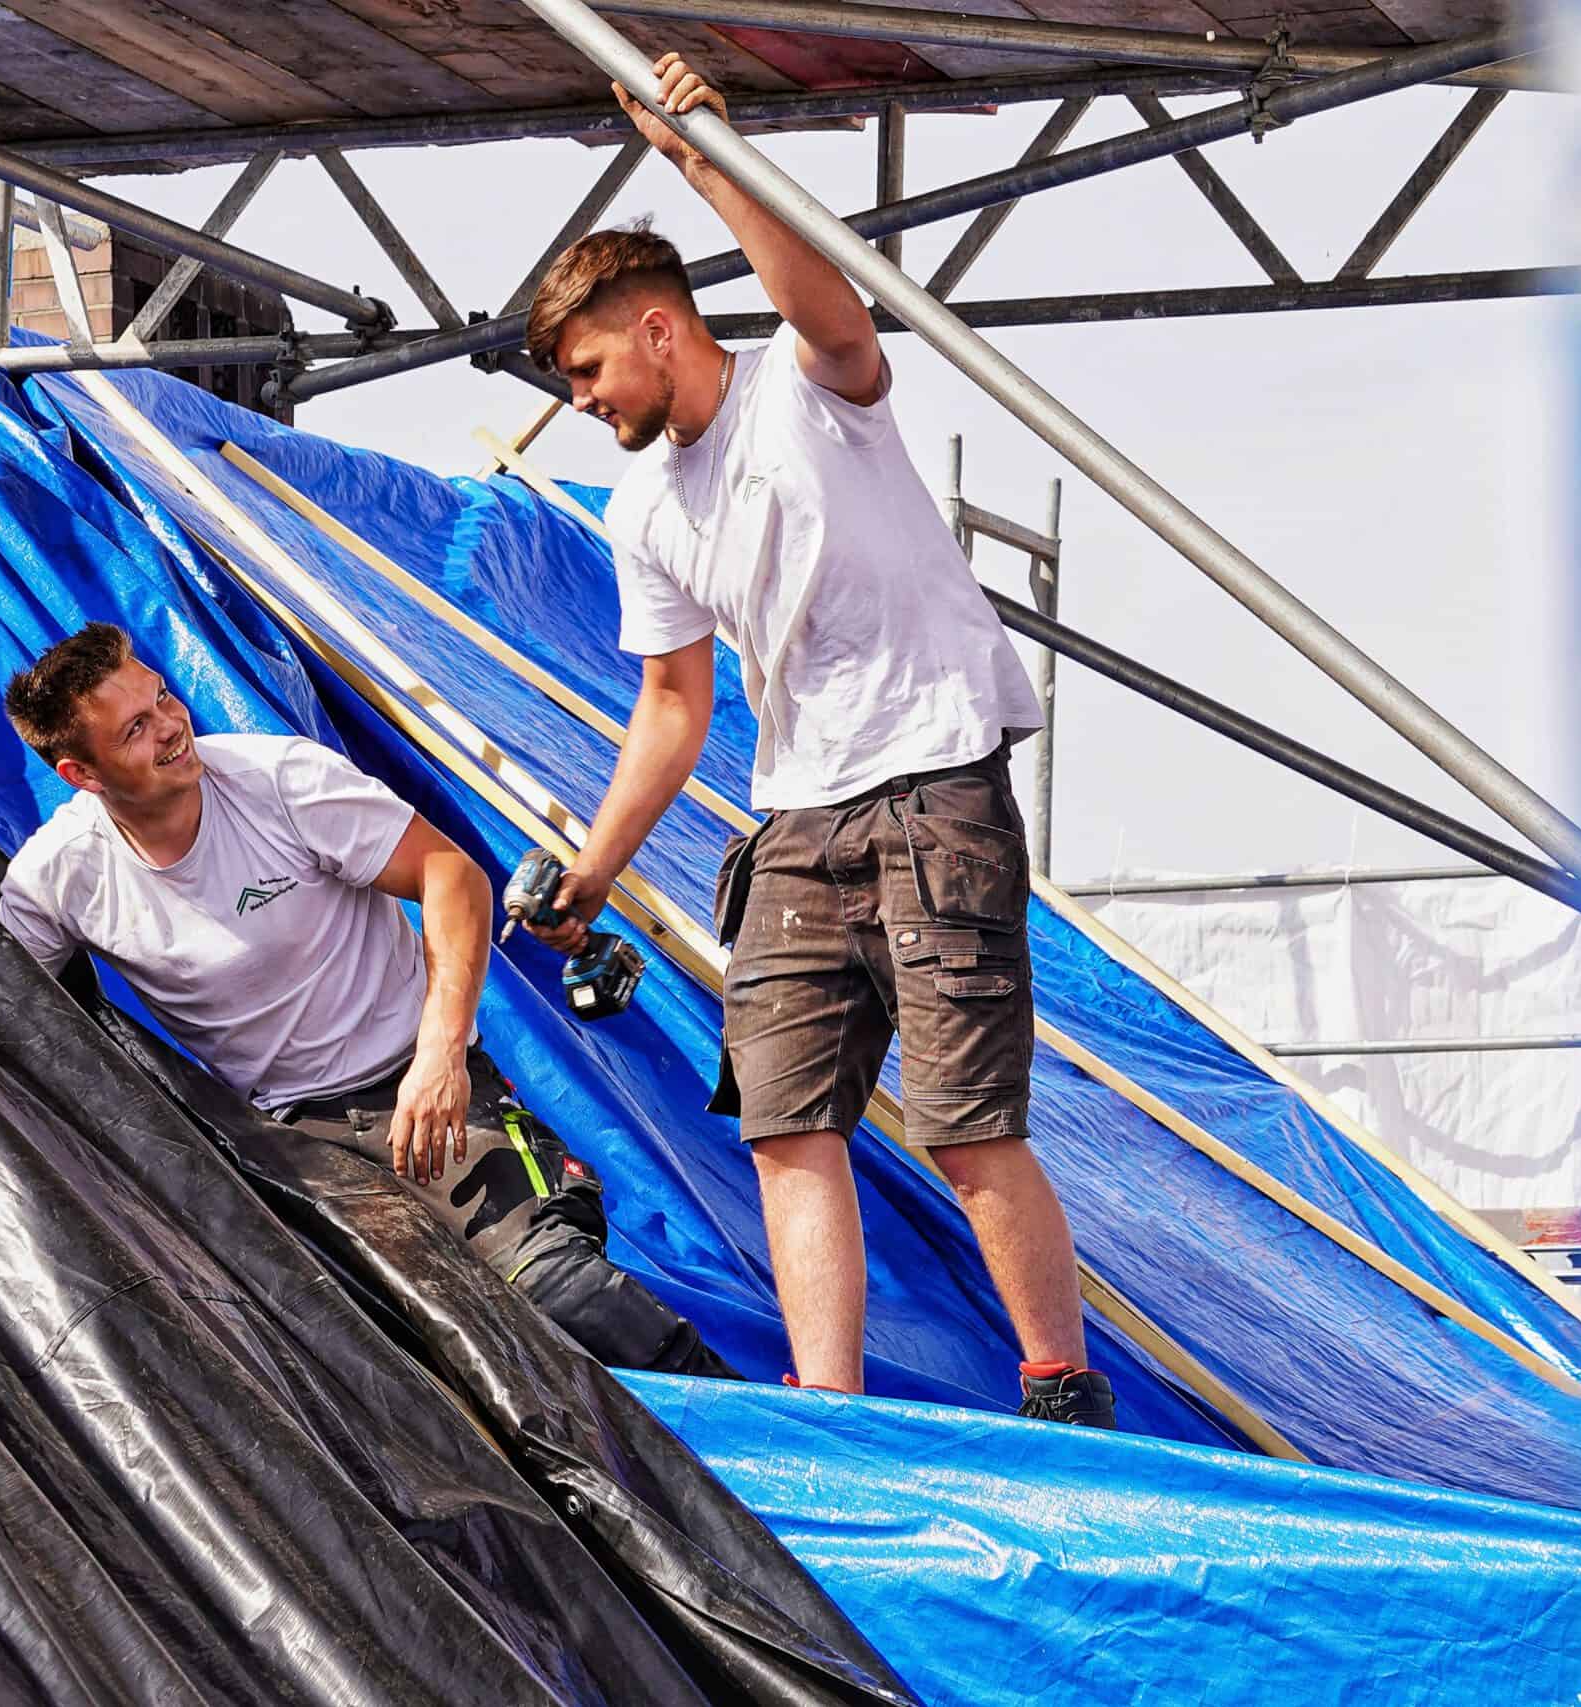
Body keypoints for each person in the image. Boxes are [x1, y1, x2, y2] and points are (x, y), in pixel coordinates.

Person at [522, 52, 1112, 1426]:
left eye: (594, 367)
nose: (588, 401)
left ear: (663, 328)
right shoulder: (644, 513)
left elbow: (821, 295)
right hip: (797, 817)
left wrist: (700, 150)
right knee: (789, 1121)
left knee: (969, 1125)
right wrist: (596, 868)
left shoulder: (807, 389)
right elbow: (672, 706)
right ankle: (833, 1410)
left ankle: (1059, 1385)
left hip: (931, 788)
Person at [0, 623, 733, 1380]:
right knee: (367, 1356)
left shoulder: (277, 780)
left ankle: (765, 1433)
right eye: (137, 728)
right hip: (291, 1144)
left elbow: (452, 875)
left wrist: (442, 1052)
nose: (173, 726)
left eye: (162, 697)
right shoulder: (60, 875)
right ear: (81, 773)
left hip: (424, 1091)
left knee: (561, 1292)